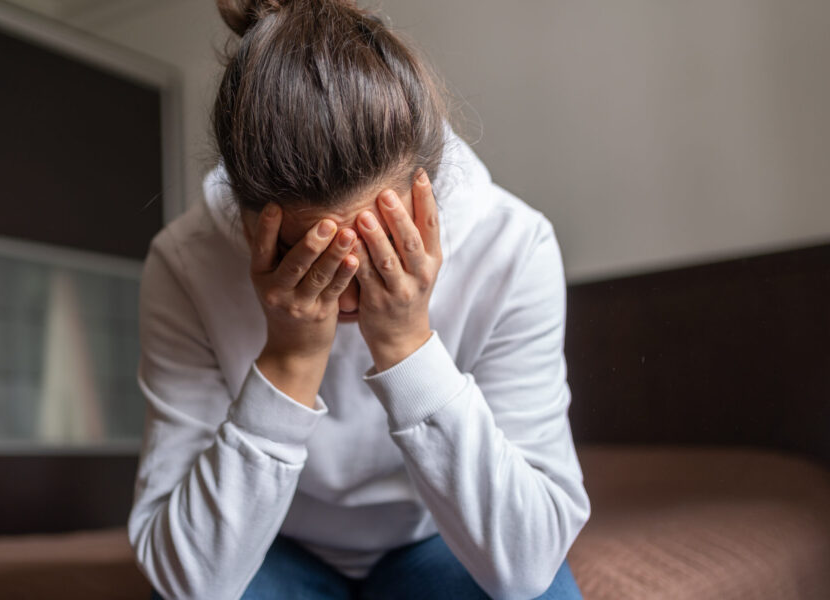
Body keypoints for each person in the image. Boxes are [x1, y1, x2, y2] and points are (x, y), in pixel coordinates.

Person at [128, 0, 591, 598]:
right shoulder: (184, 262)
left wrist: (406, 343)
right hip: (272, 547)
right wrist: (289, 360)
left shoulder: (513, 246)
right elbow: (186, 578)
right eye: (310, 259)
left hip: (437, 542)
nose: (347, 296)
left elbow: (527, 564)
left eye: (381, 250)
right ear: (244, 221)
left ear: (428, 198)